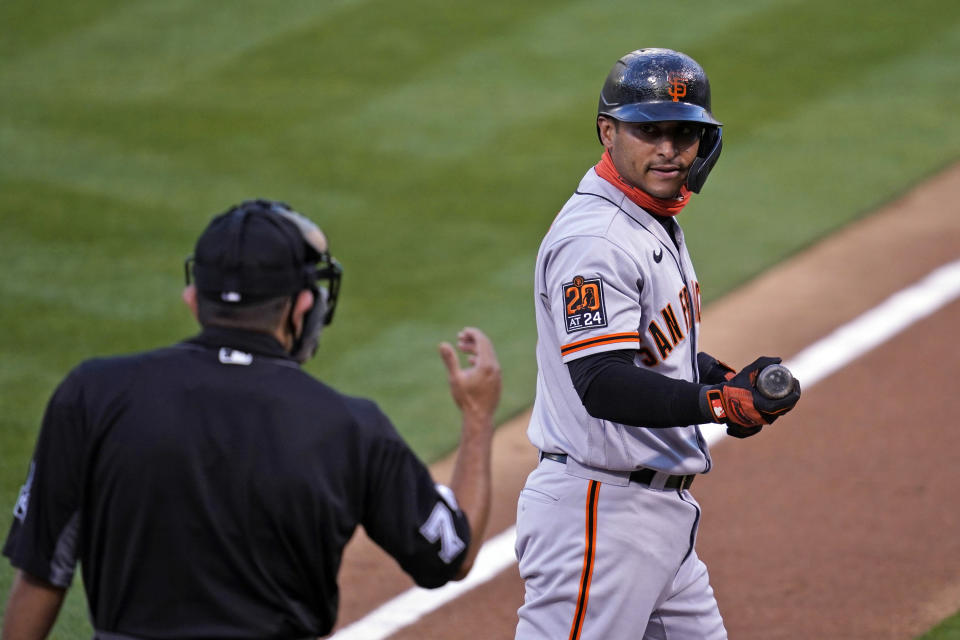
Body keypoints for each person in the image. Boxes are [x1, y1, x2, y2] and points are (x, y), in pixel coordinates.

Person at [2, 199, 501, 639]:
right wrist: (477, 418)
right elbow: (448, 557)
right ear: (304, 306)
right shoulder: (348, 426)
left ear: (194, 298)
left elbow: (44, 574)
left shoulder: (91, 394)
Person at [514, 48, 802, 639]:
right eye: (649, 130)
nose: (668, 149)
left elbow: (647, 352)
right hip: (599, 515)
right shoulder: (597, 239)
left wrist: (714, 380)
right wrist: (714, 405)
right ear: (608, 131)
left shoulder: (649, 215)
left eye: (684, 133)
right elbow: (603, 381)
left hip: (654, 520)